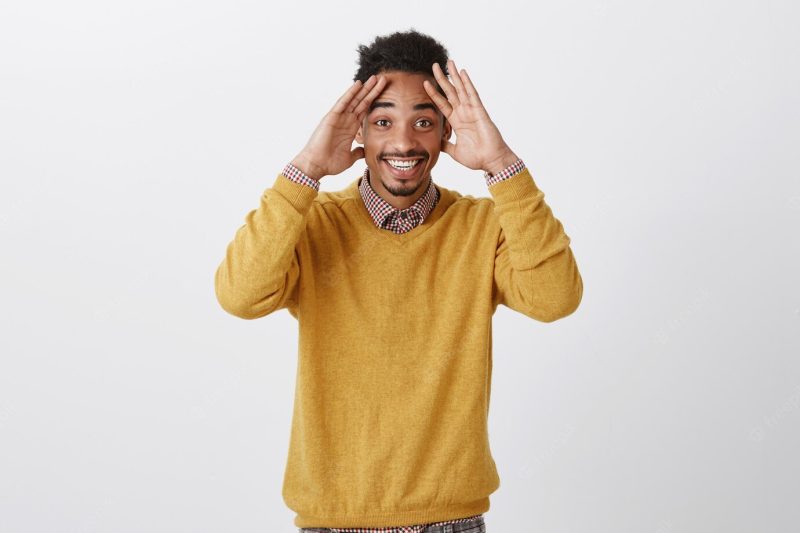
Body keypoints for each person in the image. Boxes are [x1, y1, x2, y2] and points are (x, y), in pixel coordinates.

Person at [214, 29, 583, 533]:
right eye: (383, 121)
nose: (404, 142)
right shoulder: (312, 222)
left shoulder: (483, 226)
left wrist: (501, 165)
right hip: (332, 517)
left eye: (424, 122)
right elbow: (240, 296)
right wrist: (306, 170)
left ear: (446, 130)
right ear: (358, 130)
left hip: (449, 517)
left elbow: (555, 299)